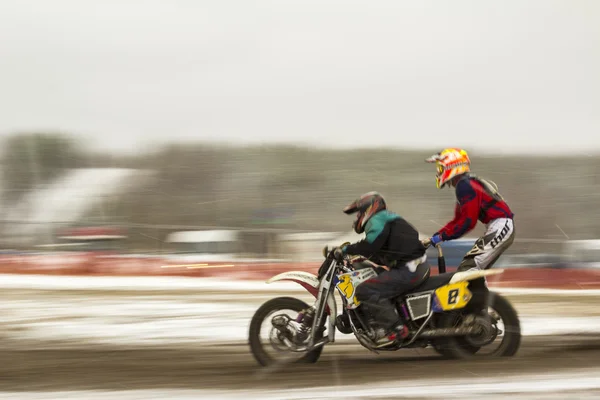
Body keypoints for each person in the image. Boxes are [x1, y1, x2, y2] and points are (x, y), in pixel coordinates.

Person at [330, 191, 430, 347]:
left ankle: (397, 328)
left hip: (409, 269)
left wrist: (344, 250)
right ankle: (379, 321)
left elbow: (370, 244)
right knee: (373, 277)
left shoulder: (378, 218)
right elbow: (384, 250)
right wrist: (362, 258)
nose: (358, 217)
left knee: (365, 290)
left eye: (359, 213)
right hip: (413, 266)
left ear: (369, 208)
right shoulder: (387, 219)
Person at [424, 148, 515, 272]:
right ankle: (480, 291)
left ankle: (478, 291)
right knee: (471, 267)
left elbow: (468, 223)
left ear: (452, 165)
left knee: (468, 268)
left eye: (440, 168)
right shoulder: (465, 184)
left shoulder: (465, 185)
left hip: (501, 226)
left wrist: (442, 237)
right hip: (499, 226)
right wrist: (436, 236)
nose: (438, 172)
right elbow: (458, 220)